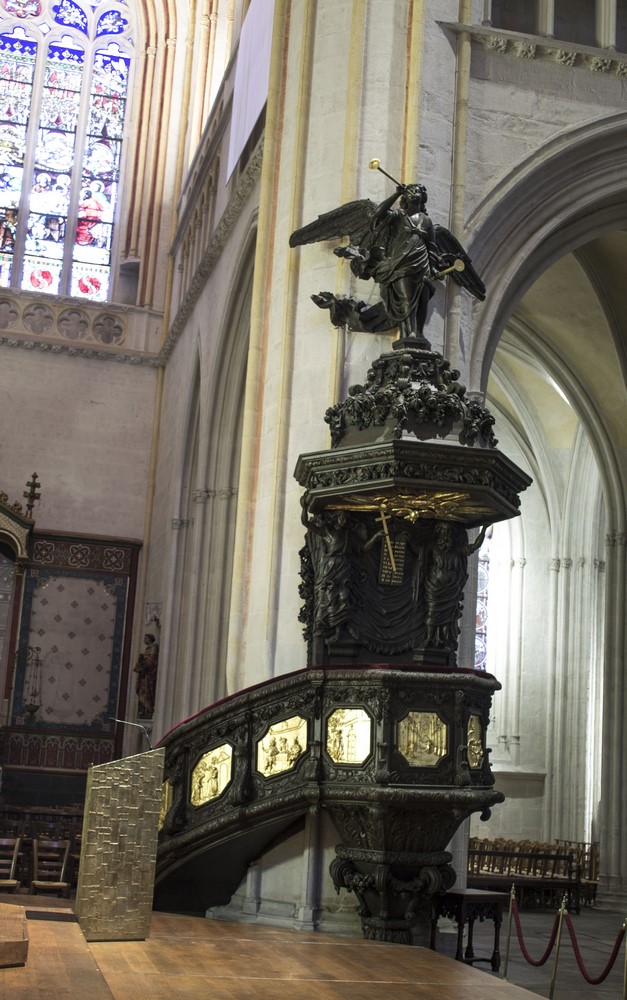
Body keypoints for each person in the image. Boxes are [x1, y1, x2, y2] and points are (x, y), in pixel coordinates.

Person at [134, 632, 159, 718]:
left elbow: (152, 662)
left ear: (150, 639)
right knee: (142, 693)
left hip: (148, 676)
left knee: (147, 693)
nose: (144, 640)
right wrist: (141, 660)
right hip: (144, 676)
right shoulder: (147, 649)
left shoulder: (154, 648)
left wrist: (144, 664)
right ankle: (143, 711)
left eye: (146, 638)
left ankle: (148, 710)